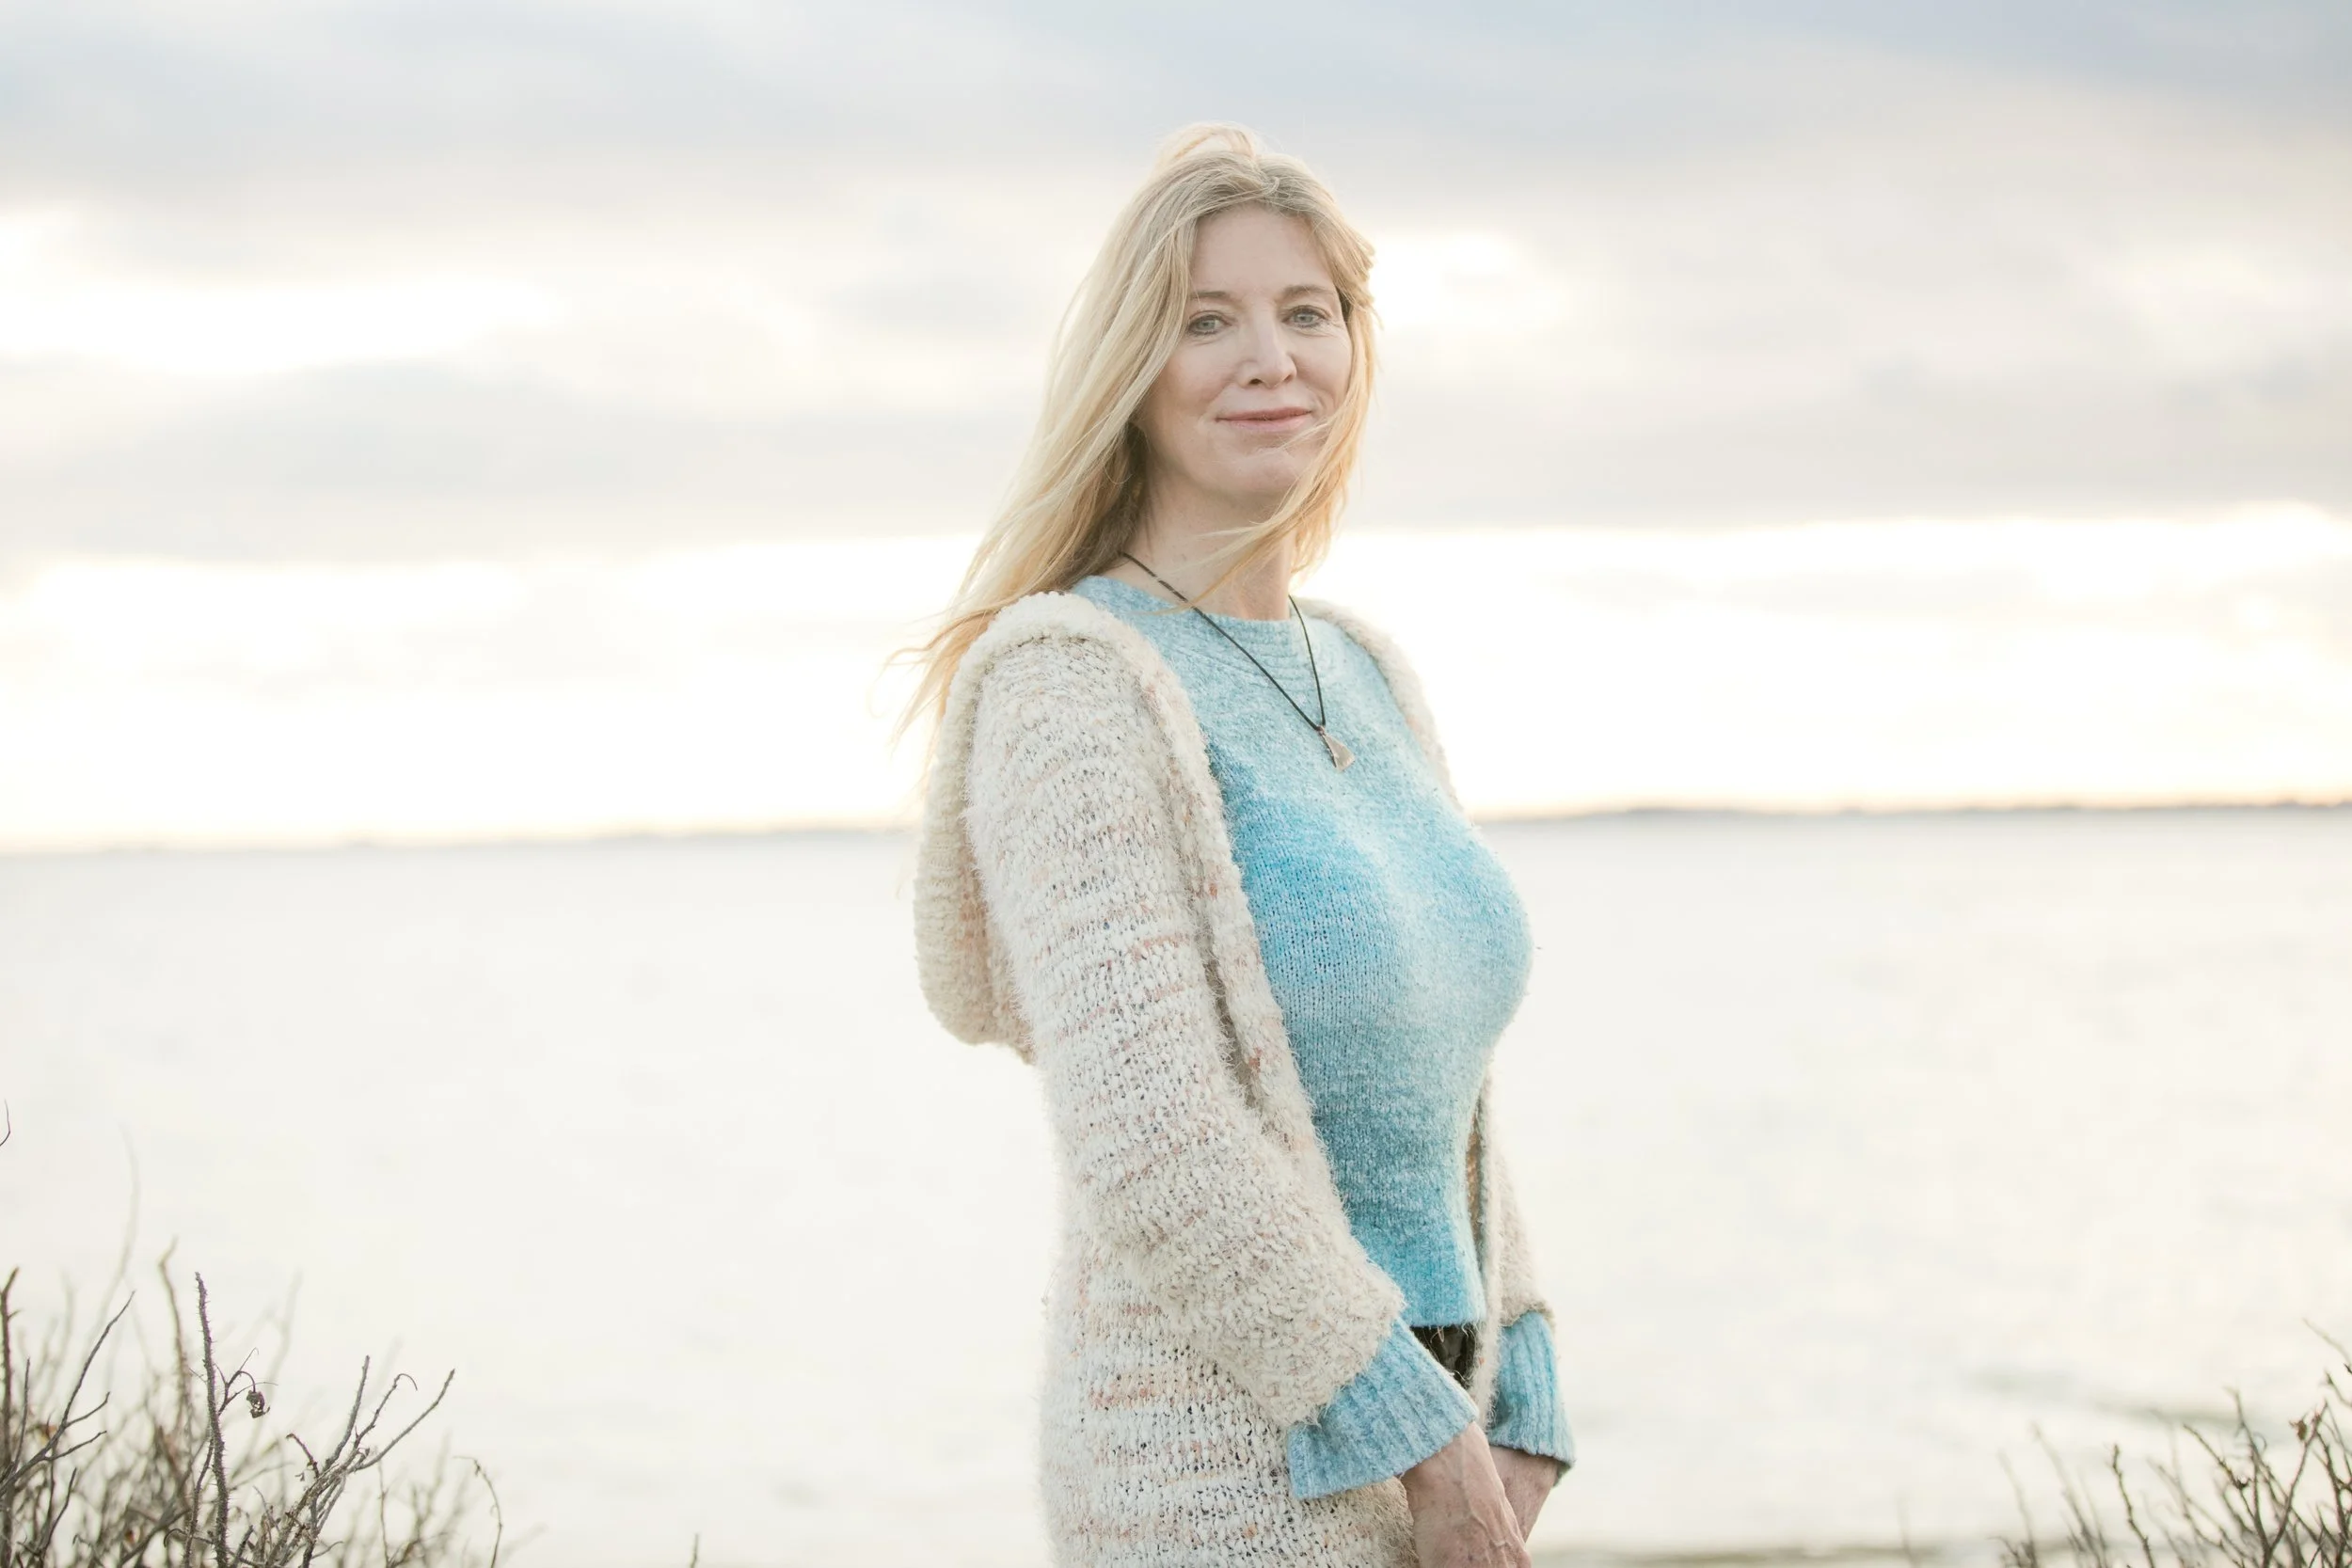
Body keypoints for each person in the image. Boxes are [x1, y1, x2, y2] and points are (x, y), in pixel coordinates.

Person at [904, 123, 1573, 1567]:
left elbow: (1440, 1080)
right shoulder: (1071, 681)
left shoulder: (1368, 668)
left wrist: (1526, 1374)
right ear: (1132, 371)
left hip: (1446, 1444)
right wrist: (1428, 1443)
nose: (1271, 357)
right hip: (1225, 1487)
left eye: (1306, 312)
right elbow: (1154, 1143)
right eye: (1208, 320)